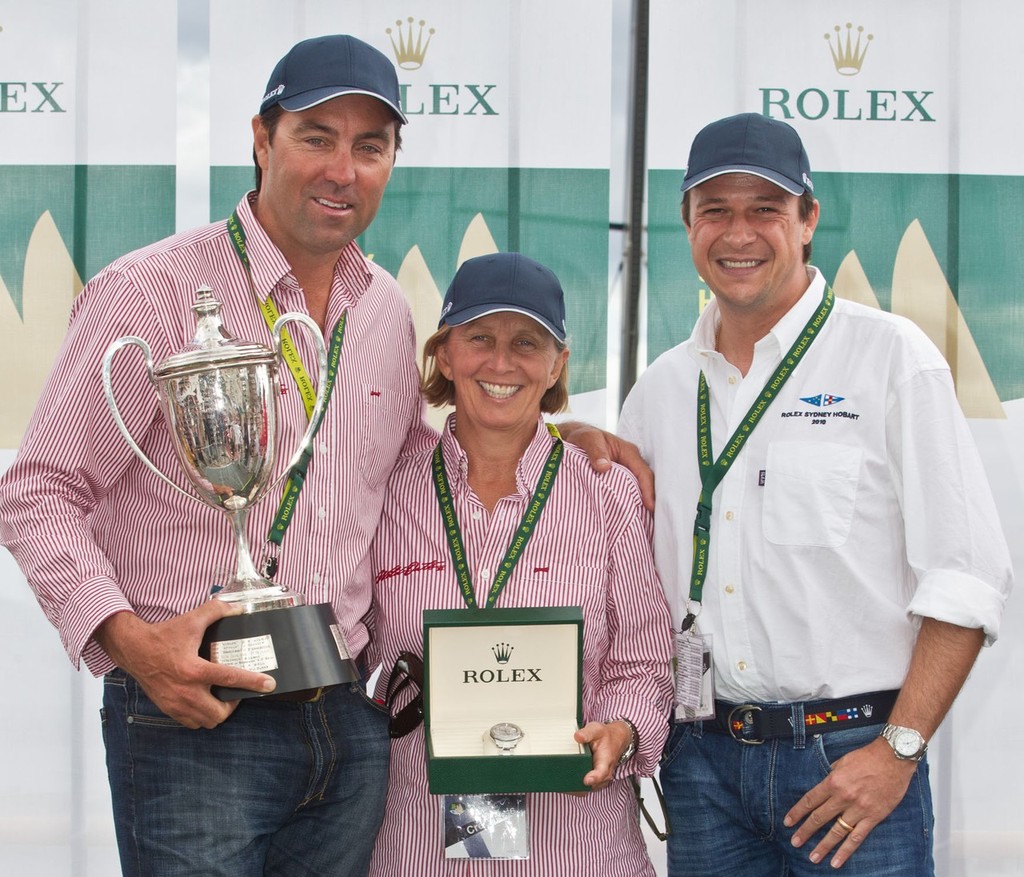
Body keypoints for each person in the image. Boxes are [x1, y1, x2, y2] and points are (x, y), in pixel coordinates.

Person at [0, 34, 434, 876]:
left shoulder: (384, 313)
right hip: (193, 711)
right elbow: (39, 489)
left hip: (343, 713)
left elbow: (415, 474)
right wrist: (132, 643)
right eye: (316, 136)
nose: (343, 168)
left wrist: (561, 440)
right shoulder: (150, 290)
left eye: (369, 146)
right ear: (261, 139)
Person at [616, 113, 1013, 875]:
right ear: (687, 223)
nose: (739, 233)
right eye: (716, 210)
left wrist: (898, 750)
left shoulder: (891, 359)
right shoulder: (662, 390)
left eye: (765, 208)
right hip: (700, 762)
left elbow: (968, 576)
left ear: (808, 220)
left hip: (849, 760)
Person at [366, 252, 674, 876]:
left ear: (558, 363)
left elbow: (644, 660)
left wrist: (624, 729)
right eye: (479, 337)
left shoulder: (606, 493)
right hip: (415, 846)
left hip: (578, 846)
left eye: (527, 342)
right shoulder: (384, 490)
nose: (501, 363)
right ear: (444, 355)